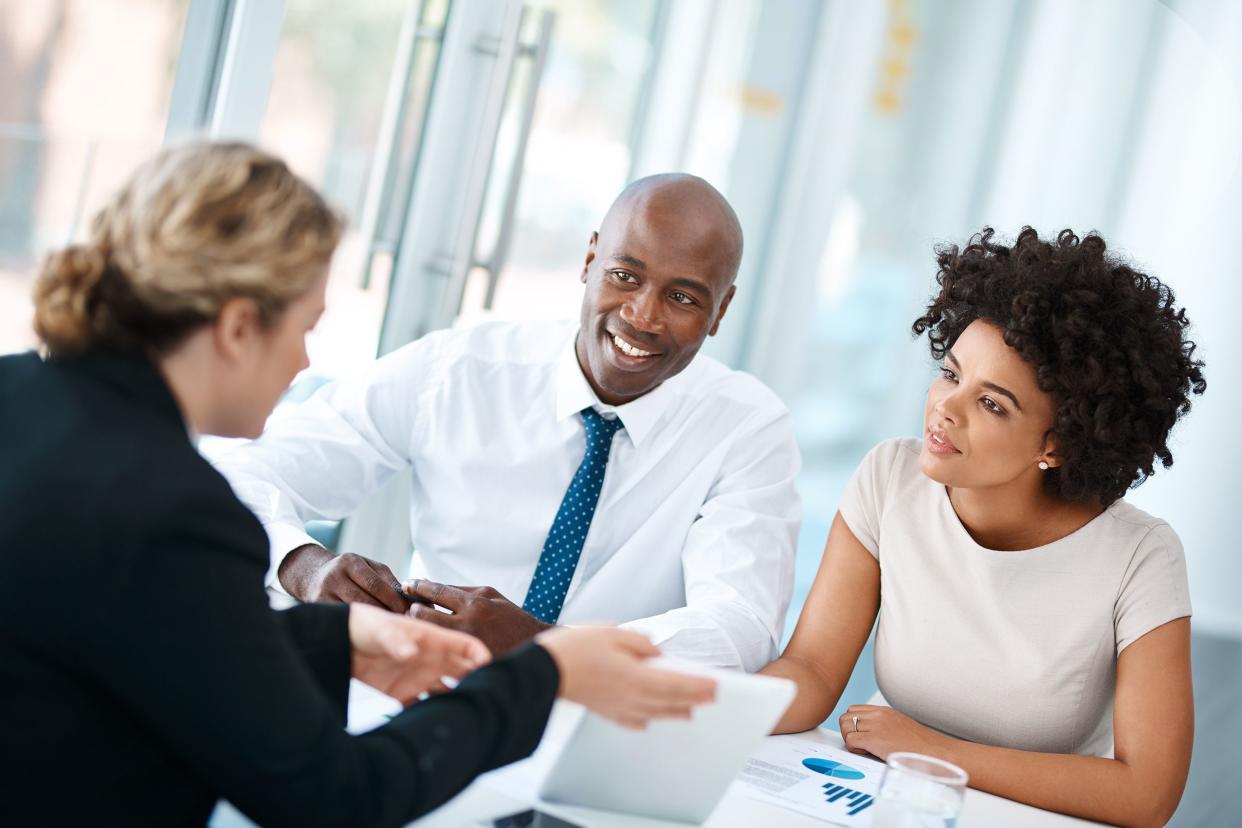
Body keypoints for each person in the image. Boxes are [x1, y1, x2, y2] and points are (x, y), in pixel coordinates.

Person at [0, 142, 716, 828]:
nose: (305, 362)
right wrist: (544, 674)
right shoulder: (177, 509)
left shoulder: (19, 399)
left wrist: (336, 638)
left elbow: (140, 632)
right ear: (239, 327)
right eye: (305, 329)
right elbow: (337, 797)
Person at [215, 173, 801, 669]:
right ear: (591, 260)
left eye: (684, 298)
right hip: (425, 687)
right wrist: (303, 564)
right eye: (625, 275)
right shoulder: (461, 371)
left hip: (601, 714)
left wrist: (547, 648)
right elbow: (236, 474)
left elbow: (740, 625)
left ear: (720, 311)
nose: (642, 316)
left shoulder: (747, 430)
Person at [761, 228, 1203, 827]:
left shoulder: (1140, 556)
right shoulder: (890, 478)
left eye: (992, 404)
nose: (946, 406)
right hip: (884, 798)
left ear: (1057, 444)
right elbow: (811, 671)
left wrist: (938, 754)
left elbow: (1145, 793)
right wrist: (698, 704)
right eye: (950, 372)